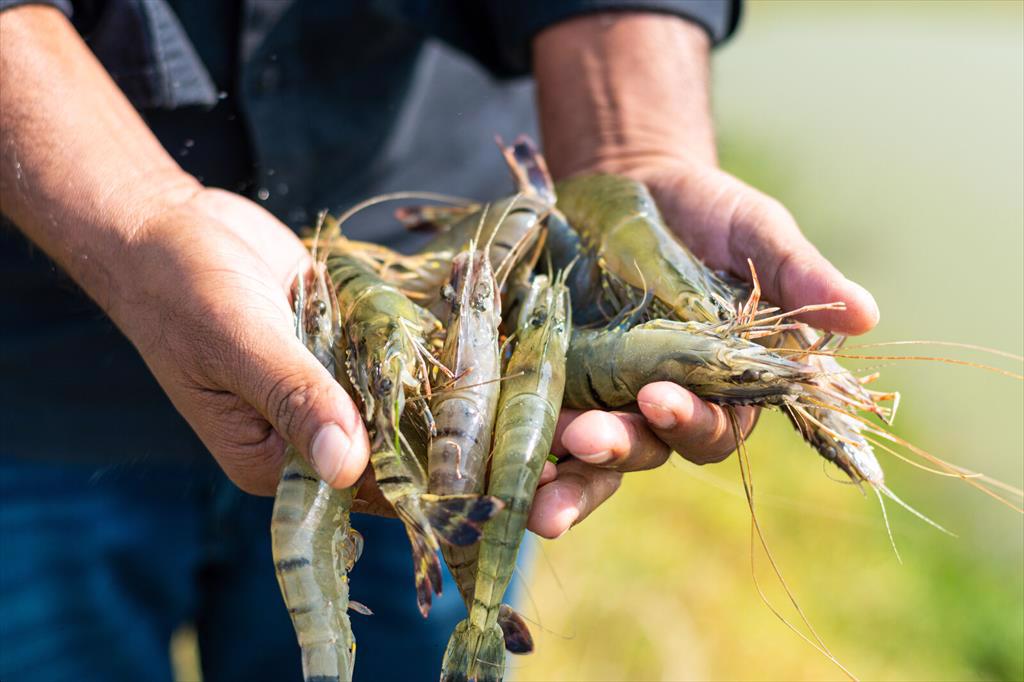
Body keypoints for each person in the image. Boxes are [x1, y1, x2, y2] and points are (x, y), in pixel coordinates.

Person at [0, 2, 880, 680]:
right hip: (34, 365)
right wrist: (138, 218)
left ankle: (463, 594)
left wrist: (634, 149)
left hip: (437, 286)